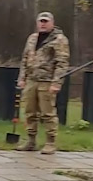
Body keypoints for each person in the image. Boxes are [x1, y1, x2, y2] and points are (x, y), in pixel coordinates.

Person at [15, 12, 70, 155]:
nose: (43, 24)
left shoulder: (59, 39)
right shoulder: (32, 38)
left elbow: (62, 63)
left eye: (46, 21)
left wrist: (57, 82)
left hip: (47, 81)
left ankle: (50, 142)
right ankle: (31, 140)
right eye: (41, 21)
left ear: (52, 22)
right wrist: (22, 78)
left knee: (48, 113)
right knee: (29, 111)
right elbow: (25, 59)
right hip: (31, 80)